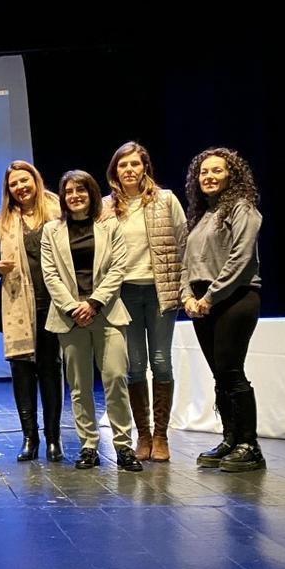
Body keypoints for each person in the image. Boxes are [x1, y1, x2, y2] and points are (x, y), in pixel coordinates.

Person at [40, 170, 142, 472]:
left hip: (106, 313)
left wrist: (94, 303)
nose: (74, 196)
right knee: (79, 385)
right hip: (70, 318)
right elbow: (51, 275)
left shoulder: (109, 226)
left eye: (80, 190)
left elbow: (118, 268)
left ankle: (123, 446)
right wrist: (74, 307)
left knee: (115, 378)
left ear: (92, 193)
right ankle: (88, 445)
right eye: (68, 191)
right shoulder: (51, 231)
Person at [181, 148, 265, 472]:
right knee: (220, 374)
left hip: (235, 298)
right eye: (204, 172)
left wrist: (210, 297)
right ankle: (231, 438)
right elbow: (186, 265)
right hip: (203, 302)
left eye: (217, 171)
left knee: (231, 371)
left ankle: (250, 445)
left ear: (231, 174)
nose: (209, 177)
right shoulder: (201, 217)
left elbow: (241, 259)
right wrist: (187, 296)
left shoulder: (242, 208)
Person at [104, 141, 187, 462]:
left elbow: (183, 243)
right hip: (124, 293)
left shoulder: (165, 200)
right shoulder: (107, 206)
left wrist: (185, 289)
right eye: (122, 165)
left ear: (145, 168)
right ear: (115, 171)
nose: (129, 170)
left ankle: (162, 436)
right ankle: (143, 435)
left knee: (161, 361)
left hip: (159, 291)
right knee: (135, 366)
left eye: (134, 164)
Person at [0, 161, 64, 462]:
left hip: (53, 302)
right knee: (21, 372)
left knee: (50, 370)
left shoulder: (58, 212)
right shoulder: (1, 219)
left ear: (35, 180)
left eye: (24, 181)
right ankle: (29, 438)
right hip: (15, 302)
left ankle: (53, 439)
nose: (20, 187)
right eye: (13, 184)